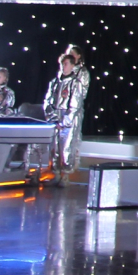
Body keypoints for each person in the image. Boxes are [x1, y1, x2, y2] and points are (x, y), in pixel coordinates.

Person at [43, 51, 89, 185]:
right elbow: (47, 101)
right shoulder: (54, 82)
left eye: (66, 64)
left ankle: (65, 175)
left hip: (67, 119)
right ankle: (55, 173)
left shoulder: (75, 83)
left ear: (72, 65)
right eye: (62, 64)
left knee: (66, 147)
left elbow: (75, 105)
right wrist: (52, 117)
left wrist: (64, 122)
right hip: (55, 118)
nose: (63, 67)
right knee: (54, 148)